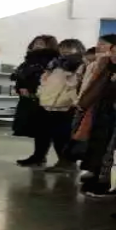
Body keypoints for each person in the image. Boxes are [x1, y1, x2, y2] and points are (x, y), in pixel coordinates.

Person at [76, 35, 116, 196]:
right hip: (102, 110)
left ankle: (107, 181)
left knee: (112, 147)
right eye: (113, 51)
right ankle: (96, 172)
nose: (115, 56)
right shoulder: (106, 67)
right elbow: (94, 88)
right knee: (98, 143)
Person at [36, 38, 87, 172]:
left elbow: (76, 85)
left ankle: (67, 163)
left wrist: (72, 100)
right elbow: (45, 82)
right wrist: (41, 94)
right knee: (56, 136)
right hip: (51, 104)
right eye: (63, 48)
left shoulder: (80, 65)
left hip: (68, 106)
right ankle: (61, 162)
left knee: (65, 137)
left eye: (69, 48)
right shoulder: (54, 64)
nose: (65, 51)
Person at [12, 35, 61, 166]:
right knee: (37, 129)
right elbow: (20, 76)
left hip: (47, 98)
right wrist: (20, 88)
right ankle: (38, 156)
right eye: (36, 43)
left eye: (42, 43)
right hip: (29, 99)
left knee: (47, 129)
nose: (37, 45)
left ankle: (54, 158)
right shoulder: (28, 60)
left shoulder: (54, 61)